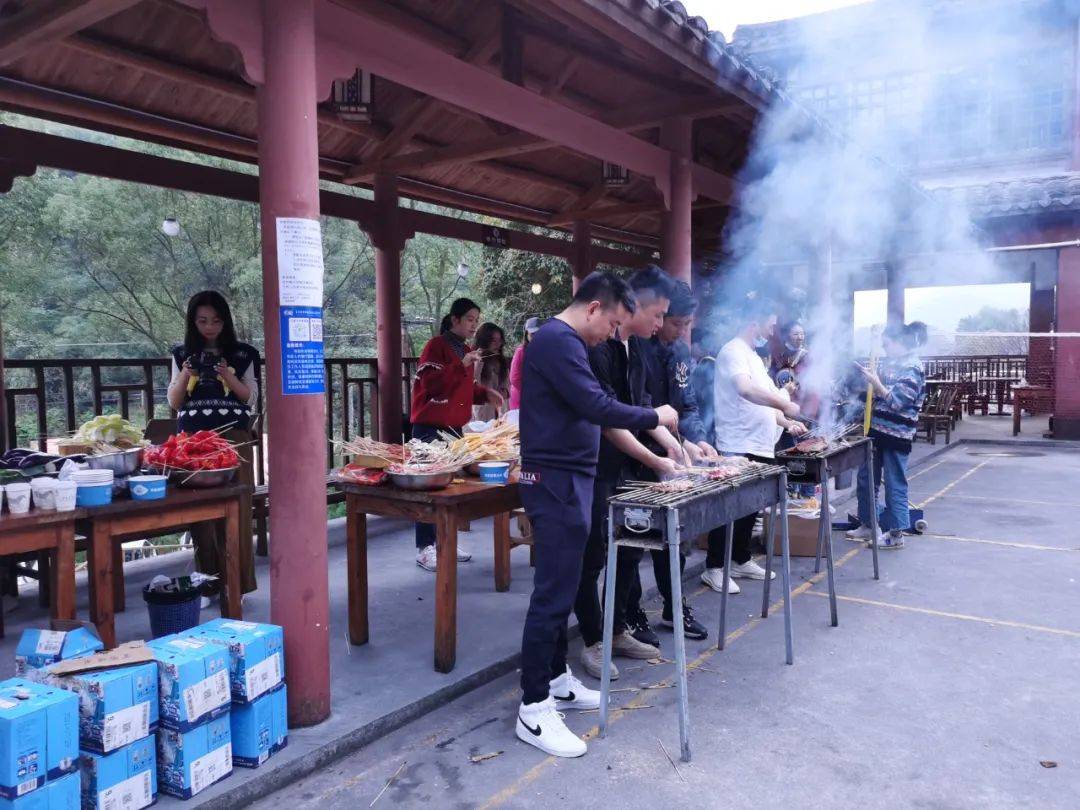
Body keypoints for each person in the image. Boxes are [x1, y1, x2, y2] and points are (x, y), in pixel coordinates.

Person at [516, 271, 679, 758]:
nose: (612, 334)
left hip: (571, 480)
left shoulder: (566, 343)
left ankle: (558, 678)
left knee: (565, 587)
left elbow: (592, 405)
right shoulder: (557, 341)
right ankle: (533, 706)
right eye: (611, 324)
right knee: (552, 594)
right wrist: (655, 416)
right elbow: (596, 404)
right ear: (592, 309)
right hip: (556, 482)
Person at [575, 266, 683, 679]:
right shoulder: (597, 348)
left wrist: (675, 444)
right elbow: (609, 419)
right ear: (634, 303)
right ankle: (592, 638)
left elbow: (644, 408)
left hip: (631, 465)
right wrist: (658, 460)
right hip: (598, 465)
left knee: (632, 547)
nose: (659, 325)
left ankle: (616, 627)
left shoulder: (636, 349)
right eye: (656, 315)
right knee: (592, 553)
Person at [628, 281, 717, 644]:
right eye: (674, 322)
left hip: (674, 455)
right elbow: (638, 404)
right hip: (637, 453)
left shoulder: (680, 352)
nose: (680, 331)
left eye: (685, 325)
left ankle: (673, 604)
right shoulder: (636, 347)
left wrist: (697, 440)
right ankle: (630, 614)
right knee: (634, 540)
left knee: (675, 538)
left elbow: (688, 404)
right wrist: (666, 446)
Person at [700, 297, 807, 595]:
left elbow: (765, 402)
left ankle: (740, 559)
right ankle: (715, 567)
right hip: (737, 443)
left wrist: (787, 422)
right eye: (770, 325)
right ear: (754, 322)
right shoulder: (732, 352)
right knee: (728, 509)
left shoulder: (754, 357)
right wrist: (785, 403)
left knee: (750, 508)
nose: (772, 332)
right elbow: (745, 391)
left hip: (759, 444)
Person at [167, 291, 260, 595]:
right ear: (193, 322)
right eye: (203, 321)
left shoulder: (244, 353)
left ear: (226, 321)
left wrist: (225, 374)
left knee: (239, 508)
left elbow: (250, 397)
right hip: (193, 440)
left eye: (217, 321)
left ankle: (238, 585)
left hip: (234, 437)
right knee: (202, 513)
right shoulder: (182, 354)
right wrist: (184, 374)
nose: (210, 327)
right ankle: (207, 584)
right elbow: (175, 401)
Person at [410, 298, 505, 571]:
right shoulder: (435, 346)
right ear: (454, 319)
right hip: (430, 426)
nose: (474, 325)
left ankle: (443, 541)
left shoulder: (464, 349)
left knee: (449, 487)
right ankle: (425, 547)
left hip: (453, 428)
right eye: (469, 319)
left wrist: (484, 393)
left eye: (476, 320)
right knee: (429, 489)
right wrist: (462, 363)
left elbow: (462, 388)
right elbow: (433, 385)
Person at [846, 321, 928, 550]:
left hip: (896, 435)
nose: (883, 348)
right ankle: (869, 524)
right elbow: (875, 396)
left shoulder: (913, 367)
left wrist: (877, 383)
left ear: (900, 342)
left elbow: (897, 402)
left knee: (894, 484)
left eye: (887, 343)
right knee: (866, 480)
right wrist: (864, 383)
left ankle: (895, 534)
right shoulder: (891, 363)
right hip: (875, 432)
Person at [472, 322, 510, 422]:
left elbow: (507, 385)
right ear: (484, 341)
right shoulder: (473, 359)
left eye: (500, 340)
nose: (498, 344)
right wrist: (477, 363)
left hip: (501, 412)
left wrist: (505, 391)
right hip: (483, 414)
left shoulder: (501, 361)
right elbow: (472, 385)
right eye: (493, 340)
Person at [508, 317, 541, 411]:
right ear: (526, 334)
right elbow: (514, 378)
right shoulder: (521, 351)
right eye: (532, 334)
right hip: (521, 397)